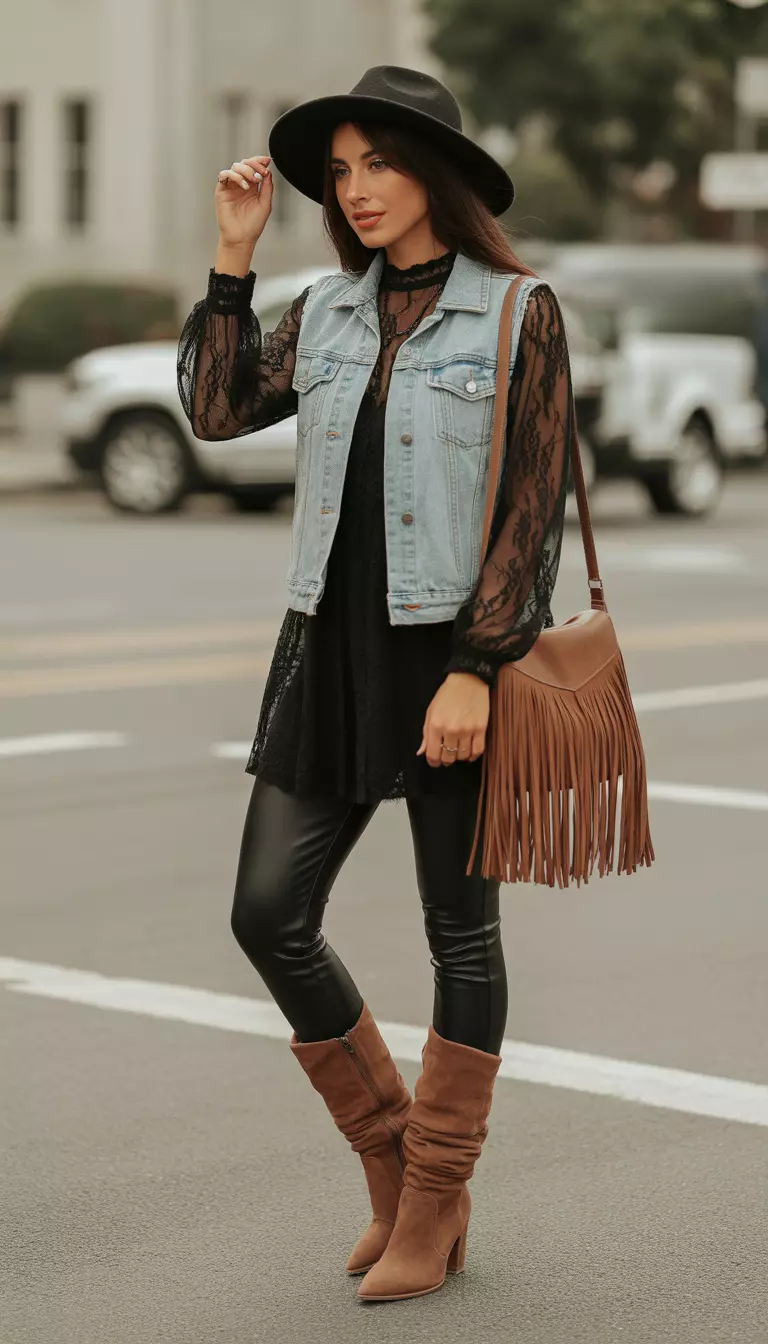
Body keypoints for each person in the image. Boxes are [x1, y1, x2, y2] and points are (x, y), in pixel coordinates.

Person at [176, 65, 572, 1303]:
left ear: (433, 173)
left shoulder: (516, 313)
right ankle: (397, 1169)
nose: (354, 192)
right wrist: (232, 259)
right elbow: (215, 405)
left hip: (449, 659)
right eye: (339, 173)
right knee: (266, 916)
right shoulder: (326, 313)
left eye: (377, 165)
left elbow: (530, 508)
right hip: (328, 650)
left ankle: (440, 1197)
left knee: (461, 932)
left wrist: (475, 670)